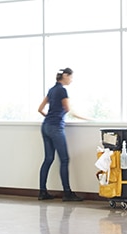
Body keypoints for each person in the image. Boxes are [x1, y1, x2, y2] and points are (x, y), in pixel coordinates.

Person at [36, 67, 89, 201]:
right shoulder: (62, 90)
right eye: (70, 77)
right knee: (64, 159)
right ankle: (67, 193)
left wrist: (51, 116)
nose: (71, 80)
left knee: (48, 159)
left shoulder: (52, 90)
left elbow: (40, 109)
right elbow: (68, 109)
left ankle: (42, 192)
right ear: (65, 76)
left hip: (46, 126)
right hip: (55, 128)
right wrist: (87, 119)